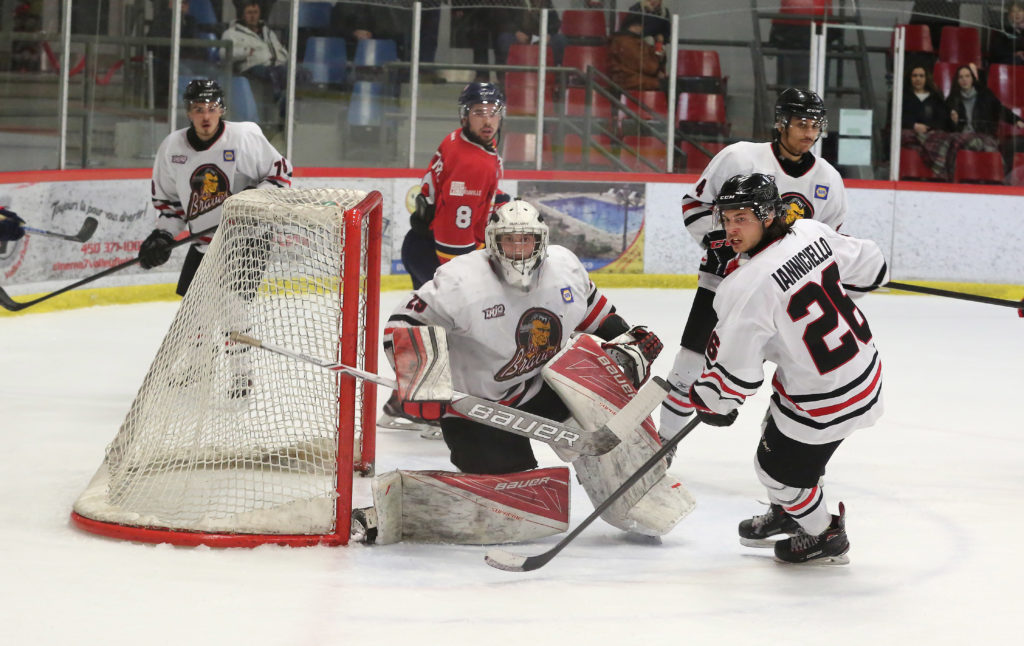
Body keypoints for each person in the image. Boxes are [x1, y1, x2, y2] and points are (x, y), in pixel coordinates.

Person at [351, 199, 669, 545]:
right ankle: (399, 507)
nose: (519, 249)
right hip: (476, 407)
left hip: (540, 387)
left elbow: (597, 315)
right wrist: (423, 380)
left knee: (606, 382)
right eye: (509, 240)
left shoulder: (565, 269)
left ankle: (638, 488)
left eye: (527, 239)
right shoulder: (461, 281)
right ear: (492, 241)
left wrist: (627, 340)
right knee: (516, 502)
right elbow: (403, 324)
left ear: (541, 240)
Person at [688, 172, 888, 565]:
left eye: (741, 218)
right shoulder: (812, 231)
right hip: (864, 372)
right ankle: (789, 511)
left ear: (766, 216)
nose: (731, 229)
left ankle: (823, 534)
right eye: (726, 219)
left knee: (775, 471)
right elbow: (873, 266)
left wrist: (713, 400)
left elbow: (733, 378)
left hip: (824, 399)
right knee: (774, 423)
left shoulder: (744, 287)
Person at [659, 88, 848, 451]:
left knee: (796, 379)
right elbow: (695, 205)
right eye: (801, 123)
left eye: (816, 124)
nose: (809, 132)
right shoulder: (740, 157)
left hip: (784, 299)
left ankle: (780, 457)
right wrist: (718, 243)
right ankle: (663, 444)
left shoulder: (829, 180)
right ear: (781, 123)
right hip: (723, 287)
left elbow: (829, 242)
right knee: (689, 367)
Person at [378, 82, 506, 435]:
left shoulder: (460, 141)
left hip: (421, 244)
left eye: (493, 112)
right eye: (479, 112)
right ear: (465, 115)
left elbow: (451, 200)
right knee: (455, 332)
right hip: (438, 251)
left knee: (433, 332)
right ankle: (435, 412)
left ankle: (401, 405)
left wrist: (495, 202)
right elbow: (452, 232)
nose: (487, 119)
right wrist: (466, 276)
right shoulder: (473, 161)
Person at [136, 79, 292, 298]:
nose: (206, 117)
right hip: (203, 243)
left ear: (222, 110)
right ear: (189, 113)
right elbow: (172, 206)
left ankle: (234, 329)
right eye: (199, 110)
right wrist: (163, 235)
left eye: (212, 108)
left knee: (233, 315)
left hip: (248, 241)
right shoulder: (173, 147)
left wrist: (257, 198)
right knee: (190, 321)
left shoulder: (242, 138)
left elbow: (281, 175)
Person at [942, 63, 1024, 179]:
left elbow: (999, 109)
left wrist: (1017, 121)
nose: (964, 80)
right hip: (961, 136)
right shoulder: (952, 100)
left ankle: (998, 177)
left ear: (972, 78)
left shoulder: (985, 95)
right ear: (957, 80)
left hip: (982, 134)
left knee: (985, 144)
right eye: (961, 77)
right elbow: (946, 126)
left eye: (967, 76)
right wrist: (953, 121)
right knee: (958, 142)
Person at [221, 1, 289, 121]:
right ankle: (279, 99)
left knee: (291, 73)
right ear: (242, 15)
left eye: (255, 12)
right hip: (250, 67)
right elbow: (223, 53)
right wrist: (246, 51)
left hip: (273, 66)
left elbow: (280, 51)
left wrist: (281, 58)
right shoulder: (231, 33)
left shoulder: (267, 32)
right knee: (272, 74)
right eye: (249, 13)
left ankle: (287, 105)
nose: (253, 16)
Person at [147, 0, 206, 109]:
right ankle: (184, 107)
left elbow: (197, 44)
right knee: (186, 72)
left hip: (190, 60)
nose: (183, 6)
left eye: (186, 3)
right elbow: (155, 45)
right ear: (171, 3)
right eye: (180, 2)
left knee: (210, 71)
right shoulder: (162, 19)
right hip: (168, 59)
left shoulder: (191, 21)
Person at [900, 64, 952, 178]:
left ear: (926, 78)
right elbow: (896, 118)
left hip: (932, 133)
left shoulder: (936, 97)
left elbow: (942, 119)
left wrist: (929, 129)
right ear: (910, 78)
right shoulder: (901, 96)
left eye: (921, 76)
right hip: (910, 132)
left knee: (943, 138)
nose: (918, 79)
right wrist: (913, 126)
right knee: (906, 136)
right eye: (914, 76)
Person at [493, 0, 567, 68]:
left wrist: (549, 35)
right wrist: (516, 32)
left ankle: (555, 73)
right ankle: (510, 73)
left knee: (560, 40)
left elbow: (555, 22)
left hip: (541, 37)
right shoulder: (513, 1)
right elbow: (503, 20)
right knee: (505, 39)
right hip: (519, 36)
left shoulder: (546, 2)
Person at [608, 14, 666, 92]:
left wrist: (659, 46)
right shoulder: (626, 42)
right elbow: (643, 64)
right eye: (642, 26)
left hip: (636, 78)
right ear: (635, 26)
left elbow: (651, 55)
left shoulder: (634, 40)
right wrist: (657, 70)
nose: (643, 29)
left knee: (672, 84)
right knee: (669, 85)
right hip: (629, 81)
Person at [989, 1, 1024, 65]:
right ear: (1009, 14)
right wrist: (1014, 54)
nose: (1017, 14)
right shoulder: (1002, 28)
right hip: (1006, 61)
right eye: (1014, 11)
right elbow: (997, 51)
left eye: (1020, 10)